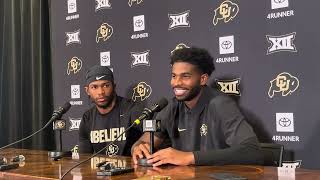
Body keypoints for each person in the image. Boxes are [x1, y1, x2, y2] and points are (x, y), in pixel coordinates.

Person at [131, 47, 263, 166]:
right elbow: (145, 141)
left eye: (185, 76)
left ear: (203, 79)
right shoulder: (171, 107)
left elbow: (252, 151)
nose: (176, 83)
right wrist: (137, 147)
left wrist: (189, 157)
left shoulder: (220, 104)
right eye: (174, 76)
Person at [79, 65, 143, 156]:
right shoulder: (87, 118)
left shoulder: (131, 109)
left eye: (106, 85)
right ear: (87, 91)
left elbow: (153, 134)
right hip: (100, 169)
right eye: (94, 87)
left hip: (131, 168)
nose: (101, 92)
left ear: (114, 86)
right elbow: (83, 158)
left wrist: (140, 145)